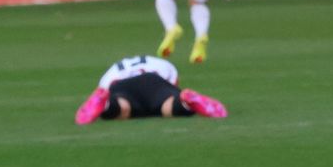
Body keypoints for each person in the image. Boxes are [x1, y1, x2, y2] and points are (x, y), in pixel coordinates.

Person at [73, 54, 227, 125]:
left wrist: (105, 98)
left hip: (121, 84)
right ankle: (186, 102)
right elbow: (173, 83)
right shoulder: (159, 63)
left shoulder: (114, 69)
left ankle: (106, 105)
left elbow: (105, 87)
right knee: (168, 106)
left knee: (121, 109)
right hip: (154, 81)